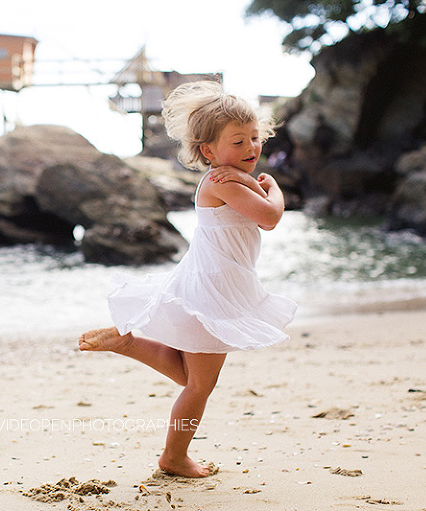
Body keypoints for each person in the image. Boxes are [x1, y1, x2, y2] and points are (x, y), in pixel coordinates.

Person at [78, 80, 297, 478]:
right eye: (238, 142)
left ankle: (128, 344)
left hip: (217, 283)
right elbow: (268, 218)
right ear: (208, 151)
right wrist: (276, 188)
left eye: (254, 138)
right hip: (214, 289)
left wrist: (261, 187)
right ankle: (173, 457)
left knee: (193, 377)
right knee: (198, 386)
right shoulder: (224, 182)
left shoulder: (232, 178)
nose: (250, 149)